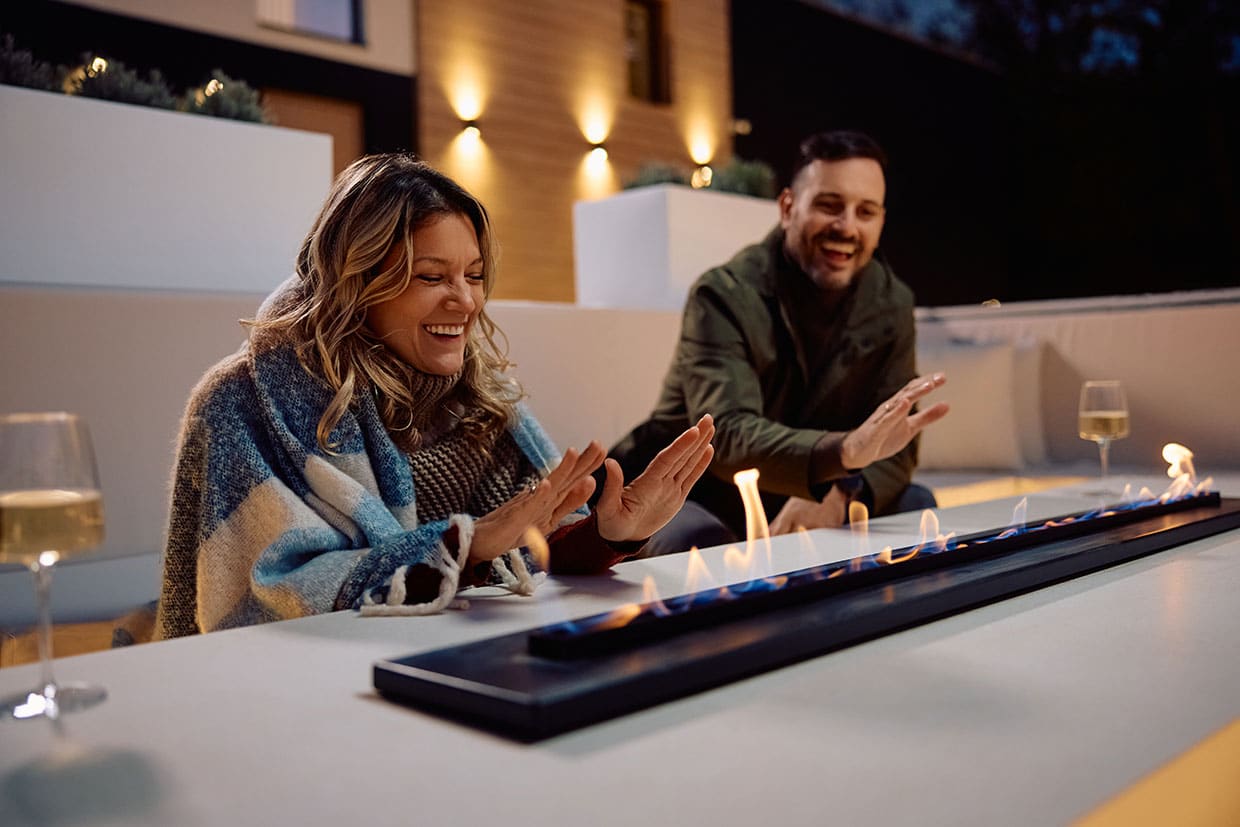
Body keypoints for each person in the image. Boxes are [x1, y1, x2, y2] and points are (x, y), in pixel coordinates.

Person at [155, 153, 715, 639]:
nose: (466, 302)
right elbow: (268, 600)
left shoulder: (485, 397)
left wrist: (607, 533)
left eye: (473, 276)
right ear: (357, 283)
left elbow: (530, 558)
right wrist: (462, 546)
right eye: (431, 277)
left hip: (466, 665)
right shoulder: (239, 403)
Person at [608, 130, 948, 555]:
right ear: (788, 208)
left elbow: (897, 445)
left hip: (811, 487)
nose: (846, 226)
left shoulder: (892, 302)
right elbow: (727, 435)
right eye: (829, 205)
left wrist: (840, 497)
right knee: (701, 543)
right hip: (693, 492)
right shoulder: (723, 293)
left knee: (917, 505)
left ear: (881, 222)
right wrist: (844, 452)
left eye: (866, 212)